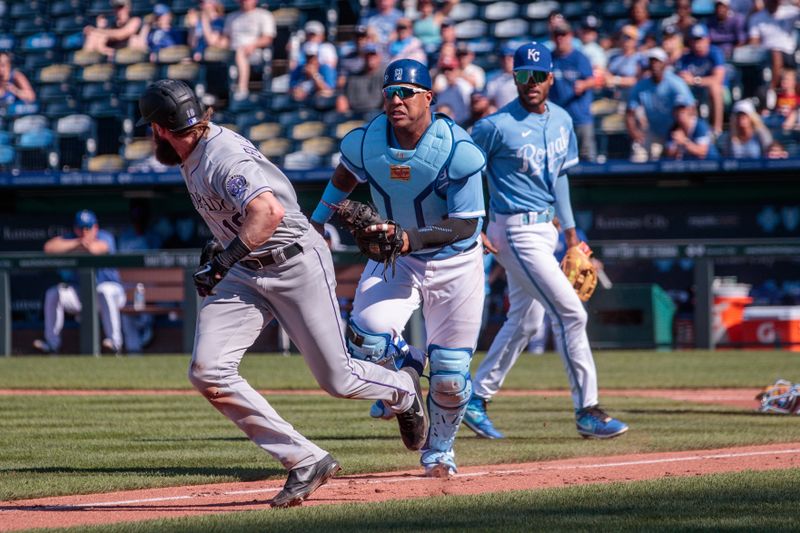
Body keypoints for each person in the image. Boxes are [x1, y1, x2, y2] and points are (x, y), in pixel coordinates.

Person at [136, 79, 428, 507]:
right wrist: (224, 250)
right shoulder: (193, 153)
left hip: (294, 263)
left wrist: (223, 259)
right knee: (208, 371)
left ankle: (401, 388)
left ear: (160, 128)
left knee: (339, 379)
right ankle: (305, 460)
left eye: (150, 128)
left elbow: (267, 212)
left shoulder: (221, 156)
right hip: (245, 272)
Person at [309, 59, 487, 478]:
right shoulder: (368, 141)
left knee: (450, 377)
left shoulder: (456, 150)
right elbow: (344, 177)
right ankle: (407, 378)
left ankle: (439, 451)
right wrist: (316, 221)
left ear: (429, 97)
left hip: (453, 261)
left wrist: (410, 237)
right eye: (391, 92)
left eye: (408, 92)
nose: (397, 99)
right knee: (366, 341)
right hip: (395, 257)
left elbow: (466, 223)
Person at [469, 42, 628, 441]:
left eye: (539, 75)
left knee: (526, 320)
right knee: (572, 314)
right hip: (514, 230)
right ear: (514, 78)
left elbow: (560, 176)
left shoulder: (561, 120)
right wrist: (475, 223)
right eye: (523, 75)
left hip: (547, 230)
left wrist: (572, 232)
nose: (531, 82)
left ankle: (473, 399)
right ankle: (587, 411)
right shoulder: (495, 125)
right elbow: (463, 170)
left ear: (551, 78)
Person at [33, 210, 126, 355]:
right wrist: (78, 242)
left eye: (88, 228)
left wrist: (73, 246)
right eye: (80, 228)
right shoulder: (73, 238)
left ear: (95, 227)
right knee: (53, 293)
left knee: (104, 291)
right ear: (75, 228)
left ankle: (115, 343)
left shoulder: (105, 236)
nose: (84, 232)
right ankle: (52, 344)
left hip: (113, 293)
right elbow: (49, 247)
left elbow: (95, 248)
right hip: (81, 294)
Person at [626, 47, 695, 161]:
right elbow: (630, 112)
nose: (655, 65)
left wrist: (681, 132)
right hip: (654, 129)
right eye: (652, 61)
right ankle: (637, 178)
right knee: (638, 155)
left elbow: (690, 108)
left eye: (658, 61)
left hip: (676, 129)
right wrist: (634, 133)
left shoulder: (675, 83)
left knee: (676, 157)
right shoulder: (641, 85)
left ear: (665, 64)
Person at [549, 20, 597, 162]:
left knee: (587, 157)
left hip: (580, 116)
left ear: (570, 36)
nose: (560, 38)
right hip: (558, 119)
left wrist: (584, 84)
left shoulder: (579, 58)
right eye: (557, 35)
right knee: (560, 158)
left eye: (563, 34)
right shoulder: (550, 58)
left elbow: (592, 80)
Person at [219, 0, 277, 100]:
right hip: (232, 51)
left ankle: (242, 89)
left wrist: (253, 45)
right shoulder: (231, 17)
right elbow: (226, 39)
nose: (243, 2)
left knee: (240, 52)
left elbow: (268, 38)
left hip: (256, 52)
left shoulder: (264, 15)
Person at [676, 24, 727, 136]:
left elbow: (717, 79)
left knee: (714, 88)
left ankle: (717, 129)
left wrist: (695, 80)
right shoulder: (686, 58)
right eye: (694, 40)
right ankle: (691, 132)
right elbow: (682, 78)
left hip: (722, 93)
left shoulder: (715, 53)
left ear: (707, 40)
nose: (697, 44)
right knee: (682, 93)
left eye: (700, 40)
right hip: (696, 93)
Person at [748, 0, 800, 89]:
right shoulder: (757, 17)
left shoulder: (790, 12)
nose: (773, 2)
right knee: (775, 54)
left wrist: (793, 1)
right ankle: (772, 89)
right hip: (765, 53)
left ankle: (773, 88)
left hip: (788, 52)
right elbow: (754, 41)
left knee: (777, 54)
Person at [336, 44, 384, 115]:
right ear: (362, 57)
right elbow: (343, 96)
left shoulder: (385, 76)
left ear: (379, 57)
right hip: (353, 112)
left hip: (375, 112)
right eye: (367, 56)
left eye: (373, 55)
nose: (370, 58)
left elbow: (388, 100)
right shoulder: (353, 76)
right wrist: (342, 99)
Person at [289, 42, 336, 108]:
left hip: (319, 106)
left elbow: (328, 91)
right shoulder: (299, 69)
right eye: (307, 57)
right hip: (300, 104)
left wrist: (314, 75)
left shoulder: (325, 69)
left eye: (313, 57)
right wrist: (297, 91)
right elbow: (291, 88)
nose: (310, 60)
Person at [485, 44, 517, 109]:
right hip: (501, 115)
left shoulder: (524, 76)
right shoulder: (493, 78)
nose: (506, 61)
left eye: (510, 57)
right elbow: (490, 100)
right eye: (503, 57)